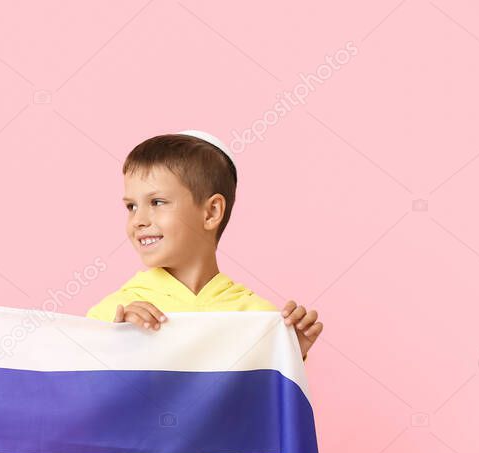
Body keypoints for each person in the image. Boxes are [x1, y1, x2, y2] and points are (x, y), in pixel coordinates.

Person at [86, 130, 322, 359]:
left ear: (211, 212)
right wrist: (114, 345)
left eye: (157, 202)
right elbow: (87, 393)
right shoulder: (113, 315)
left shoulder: (259, 318)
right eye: (131, 206)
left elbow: (262, 396)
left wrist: (289, 354)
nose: (138, 220)